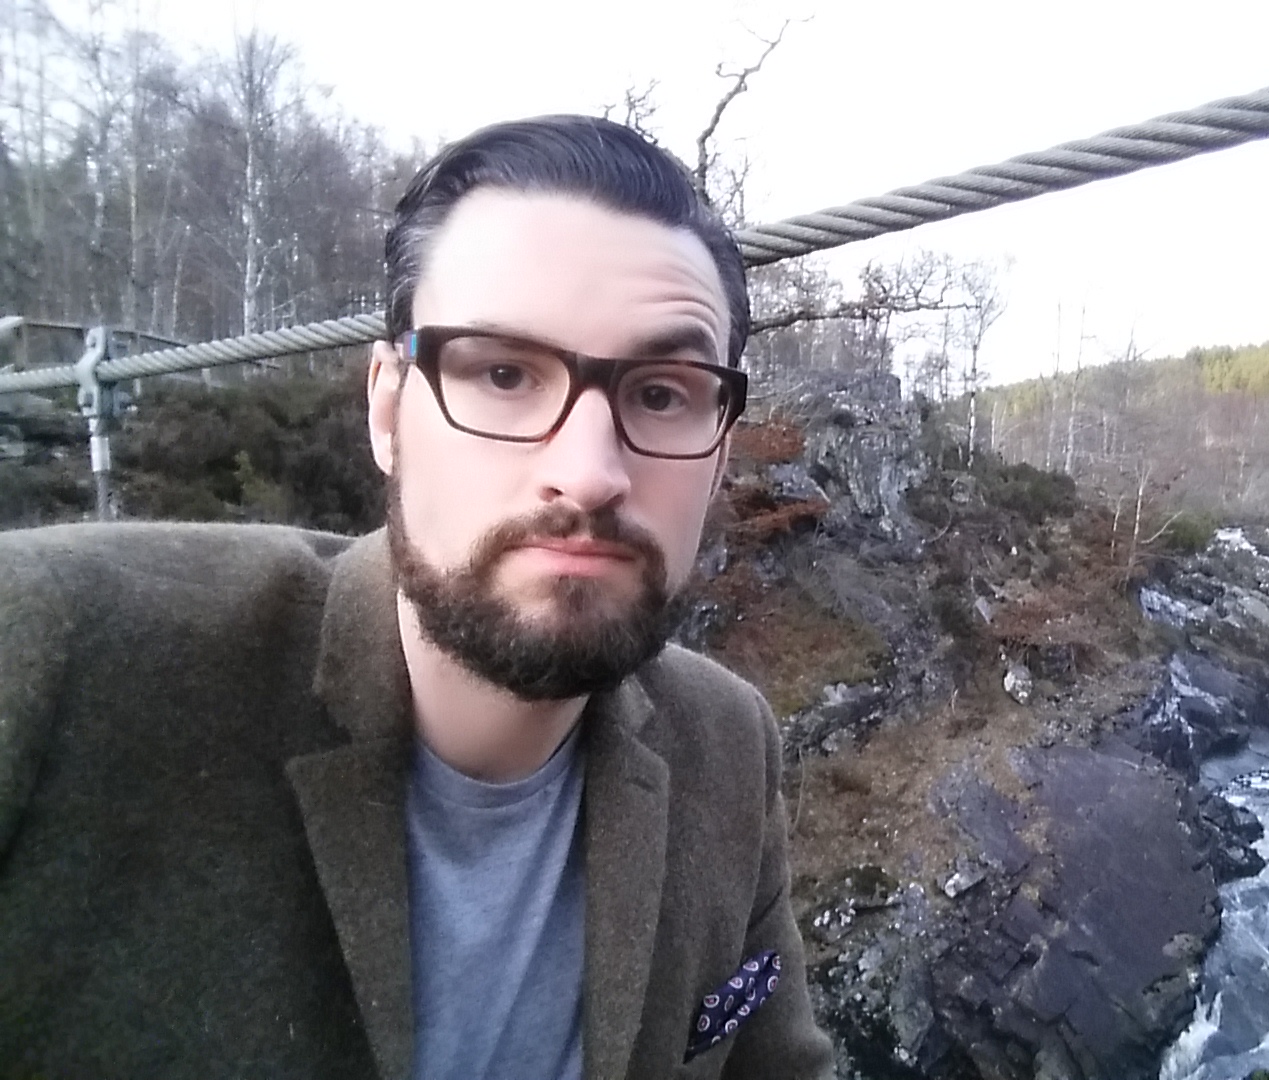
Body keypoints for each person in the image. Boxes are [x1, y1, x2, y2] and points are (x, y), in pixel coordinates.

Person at [0, 115, 836, 1080]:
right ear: (388, 408)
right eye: (505, 373)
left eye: (661, 393)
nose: (592, 472)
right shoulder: (54, 662)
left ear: (721, 450)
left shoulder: (727, 747)